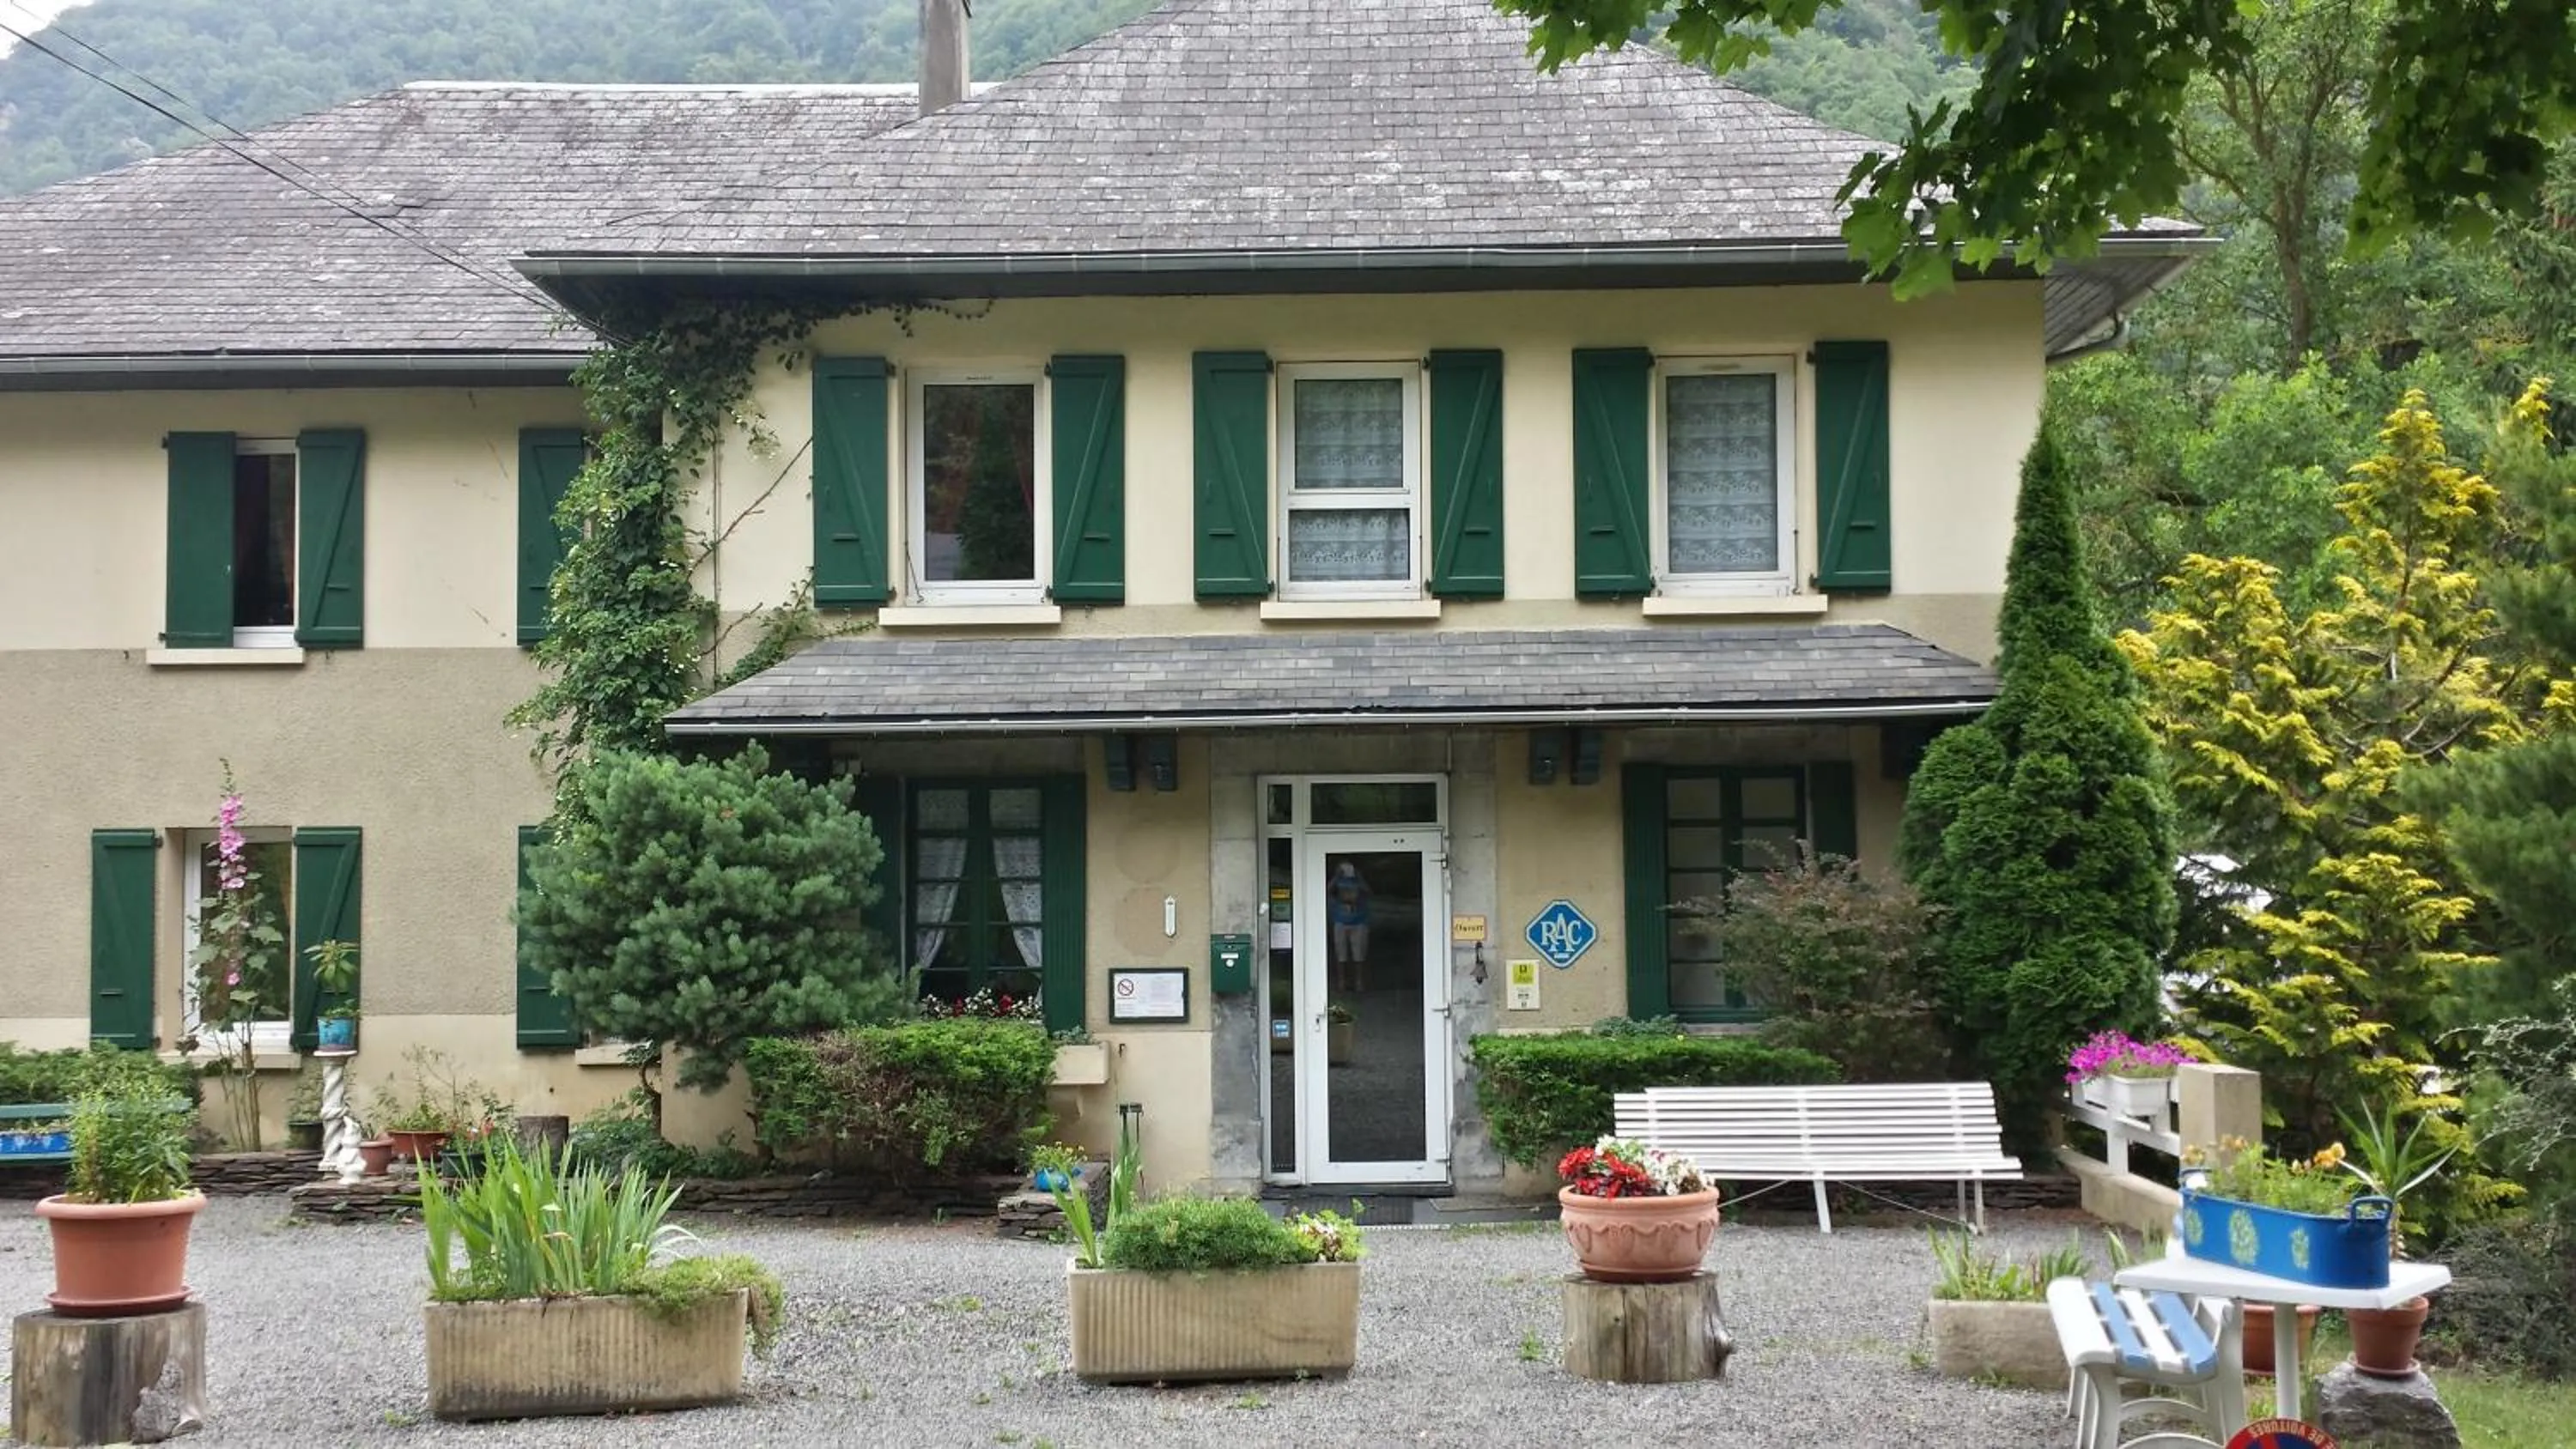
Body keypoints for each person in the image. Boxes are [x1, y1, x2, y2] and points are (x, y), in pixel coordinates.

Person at [1327, 860, 1371, 991]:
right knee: (1341, 954)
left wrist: (1359, 877)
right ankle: (1342, 981)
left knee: (1359, 954)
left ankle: (1359, 981)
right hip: (1341, 921)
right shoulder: (1337, 882)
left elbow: (1368, 892)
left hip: (1359, 921)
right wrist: (1336, 876)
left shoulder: (1359, 882)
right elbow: (1328, 890)